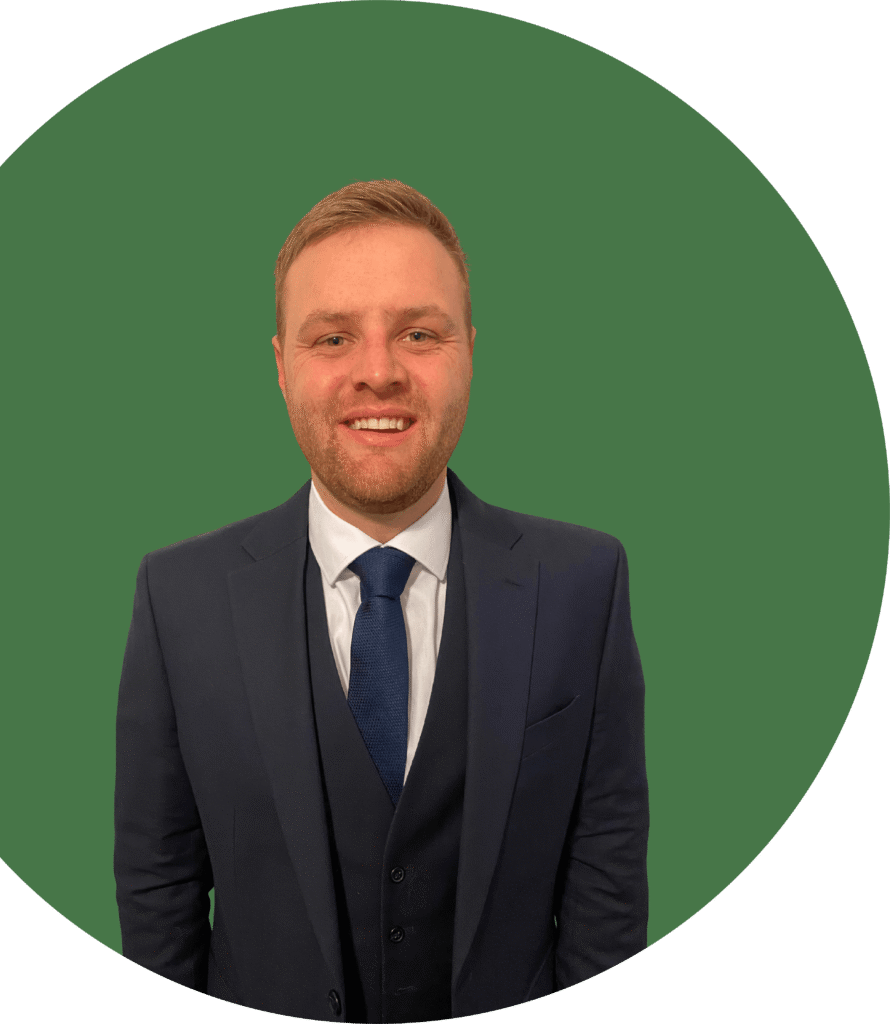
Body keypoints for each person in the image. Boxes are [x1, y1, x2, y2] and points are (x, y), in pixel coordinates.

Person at [114, 179, 649, 1023]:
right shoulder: (176, 599)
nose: (379, 372)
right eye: (333, 337)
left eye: (419, 333)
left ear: (469, 352)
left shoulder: (586, 583)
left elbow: (607, 888)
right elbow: (159, 892)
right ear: (281, 365)